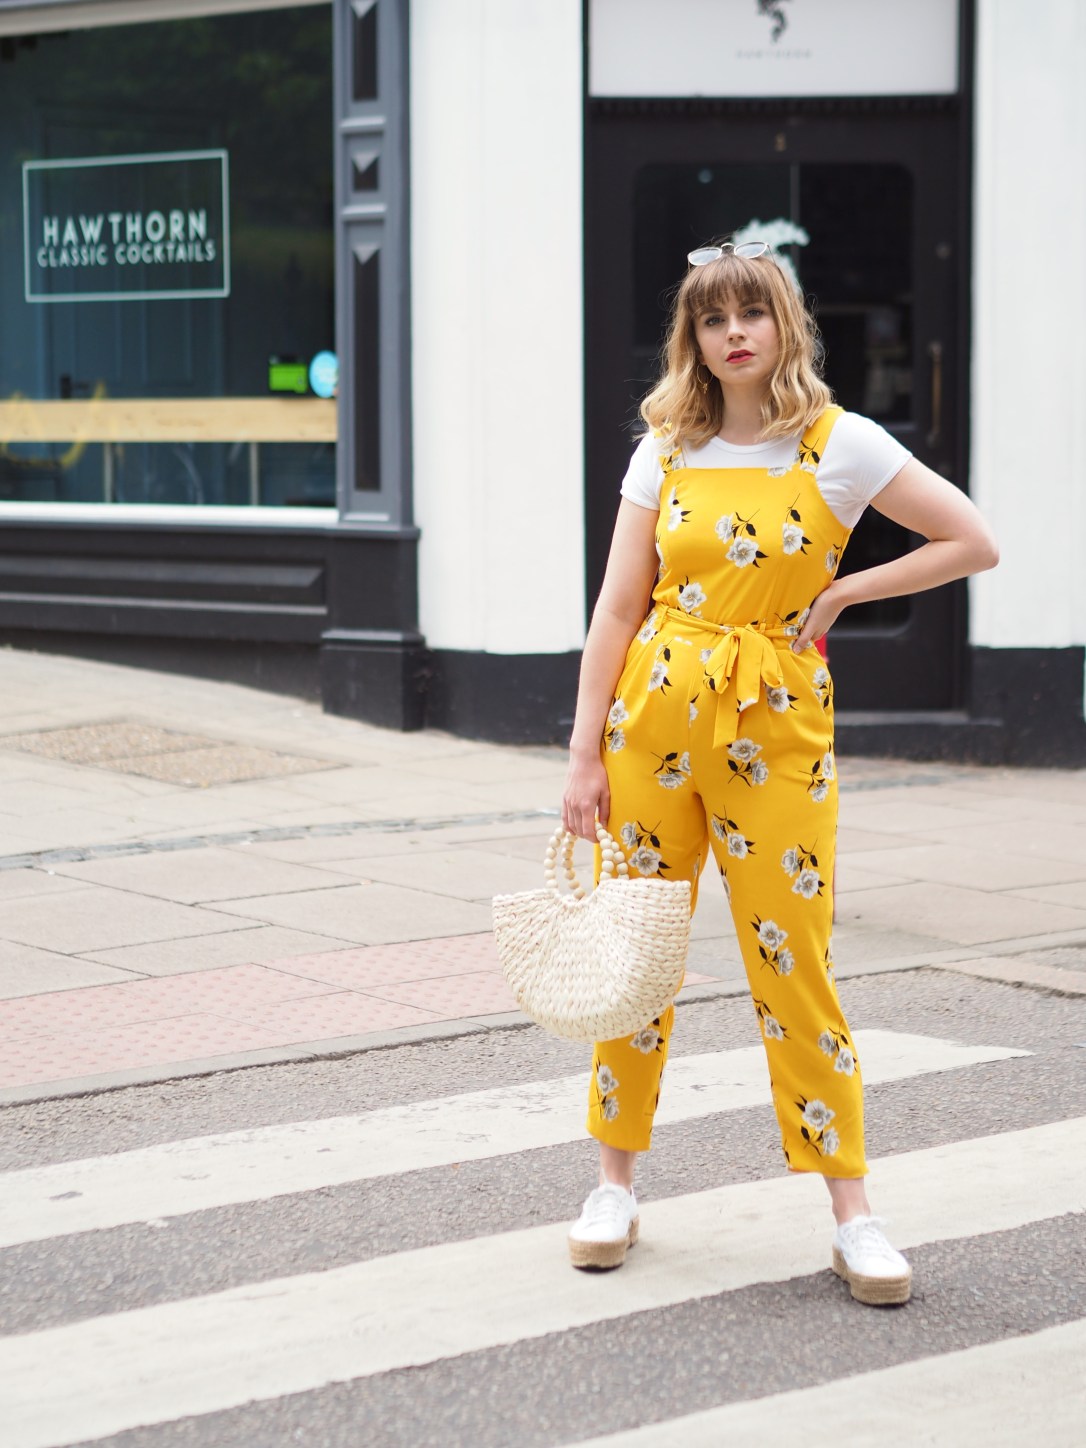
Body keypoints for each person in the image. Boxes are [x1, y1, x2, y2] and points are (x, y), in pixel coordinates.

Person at [561, 240, 998, 1305]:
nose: (735, 332)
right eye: (714, 319)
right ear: (694, 339)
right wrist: (582, 755)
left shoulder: (840, 444)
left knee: (792, 962)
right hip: (653, 718)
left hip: (776, 727)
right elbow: (618, 606)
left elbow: (972, 540)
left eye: (753, 311)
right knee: (638, 955)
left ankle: (854, 1210)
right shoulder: (663, 447)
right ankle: (613, 1183)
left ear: (786, 324)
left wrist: (846, 593)